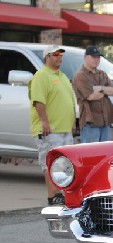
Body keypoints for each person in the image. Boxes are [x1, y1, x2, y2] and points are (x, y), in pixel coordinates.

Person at [29, 45, 76, 205]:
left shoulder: (62, 76)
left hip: (64, 129)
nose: (59, 57)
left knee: (64, 164)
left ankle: (62, 193)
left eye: (61, 55)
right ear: (46, 57)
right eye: (55, 54)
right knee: (50, 163)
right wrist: (44, 121)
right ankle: (52, 195)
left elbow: (69, 101)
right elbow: (38, 101)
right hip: (50, 130)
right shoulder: (41, 76)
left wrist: (72, 122)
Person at [71, 46, 113, 143]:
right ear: (85, 57)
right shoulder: (80, 75)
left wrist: (100, 89)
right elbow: (90, 96)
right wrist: (105, 91)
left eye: (98, 57)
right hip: (90, 122)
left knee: (104, 154)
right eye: (93, 57)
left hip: (105, 121)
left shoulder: (102, 74)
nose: (96, 60)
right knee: (90, 155)